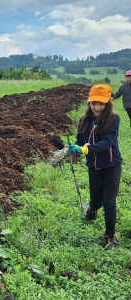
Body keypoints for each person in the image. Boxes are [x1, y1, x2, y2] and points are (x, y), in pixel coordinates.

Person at [68, 84, 122, 250]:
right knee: (97, 201)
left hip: (112, 165)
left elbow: (107, 143)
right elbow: (78, 142)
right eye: (94, 103)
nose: (97, 107)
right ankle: (92, 209)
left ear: (108, 103)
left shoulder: (114, 119)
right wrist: (67, 150)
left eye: (101, 103)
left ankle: (110, 236)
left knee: (109, 202)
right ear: (89, 103)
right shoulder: (84, 120)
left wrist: (86, 149)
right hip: (93, 166)